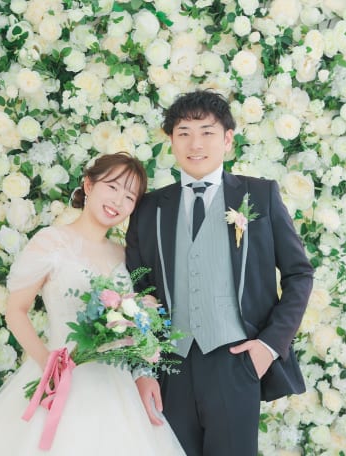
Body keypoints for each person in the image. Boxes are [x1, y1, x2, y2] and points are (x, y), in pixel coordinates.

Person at [0, 153, 185, 455]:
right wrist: (48, 365)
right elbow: (16, 311)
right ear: (89, 185)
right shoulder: (51, 241)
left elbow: (135, 323)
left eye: (130, 197)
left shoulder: (125, 255)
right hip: (59, 375)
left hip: (115, 387)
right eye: (112, 187)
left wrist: (143, 372)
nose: (118, 201)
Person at [125, 90, 313, 456]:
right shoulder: (149, 208)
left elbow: (299, 274)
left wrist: (268, 346)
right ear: (171, 141)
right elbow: (137, 290)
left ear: (227, 140)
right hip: (170, 367)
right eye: (184, 133)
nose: (195, 144)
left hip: (236, 362)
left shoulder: (260, 195)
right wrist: (143, 368)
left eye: (207, 132)